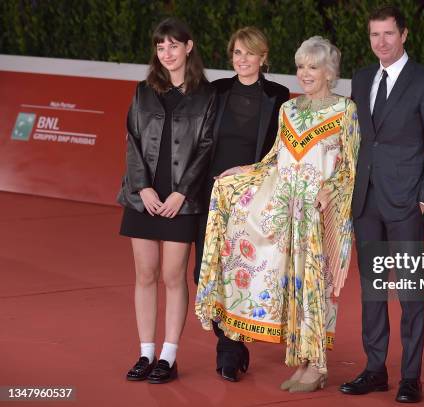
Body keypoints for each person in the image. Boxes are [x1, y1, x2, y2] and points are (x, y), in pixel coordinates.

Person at [195, 36, 360, 393]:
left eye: (313, 67)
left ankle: (317, 365)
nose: (305, 74)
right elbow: (273, 160)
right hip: (287, 213)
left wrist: (328, 192)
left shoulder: (345, 110)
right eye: (301, 66)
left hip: (318, 215)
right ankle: (300, 361)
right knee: (293, 288)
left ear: (329, 72)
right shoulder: (290, 110)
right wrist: (241, 173)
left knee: (315, 288)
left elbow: (350, 167)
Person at [339, 5, 424, 403]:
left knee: (408, 293)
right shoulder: (362, 77)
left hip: (406, 204)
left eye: (388, 34)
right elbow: (358, 140)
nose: (381, 42)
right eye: (374, 35)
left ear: (403, 35)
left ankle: (410, 377)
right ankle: (374, 369)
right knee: (372, 290)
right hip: (366, 201)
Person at [117, 17, 216, 384]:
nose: (167, 53)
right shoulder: (143, 91)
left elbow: (206, 147)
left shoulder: (207, 95)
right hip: (143, 197)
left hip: (181, 200)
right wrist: (142, 187)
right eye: (161, 47)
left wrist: (181, 192)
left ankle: (168, 356)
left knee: (174, 277)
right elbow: (132, 140)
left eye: (174, 45)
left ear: (189, 47)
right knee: (144, 275)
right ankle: (145, 352)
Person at [192, 26, 290, 382]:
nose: (243, 60)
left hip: (253, 197)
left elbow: (281, 150)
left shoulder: (278, 96)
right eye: (237, 53)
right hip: (211, 195)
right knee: (204, 271)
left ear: (263, 57)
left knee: (241, 273)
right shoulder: (216, 91)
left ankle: (230, 350)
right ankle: (228, 339)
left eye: (250, 53)